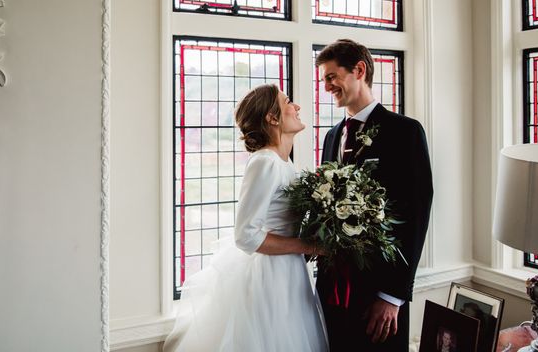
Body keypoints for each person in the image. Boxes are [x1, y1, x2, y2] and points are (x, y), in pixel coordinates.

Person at [163, 83, 328, 352]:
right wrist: (307, 246)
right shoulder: (266, 162)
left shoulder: (286, 163)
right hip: (270, 276)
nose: (296, 107)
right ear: (272, 118)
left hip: (290, 271)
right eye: (288, 102)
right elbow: (246, 236)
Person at [316, 39, 433, 352]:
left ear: (359, 70)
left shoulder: (405, 131)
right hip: (332, 290)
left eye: (330, 76)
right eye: (323, 79)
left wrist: (393, 295)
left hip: (379, 292)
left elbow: (416, 215)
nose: (326, 86)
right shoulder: (331, 137)